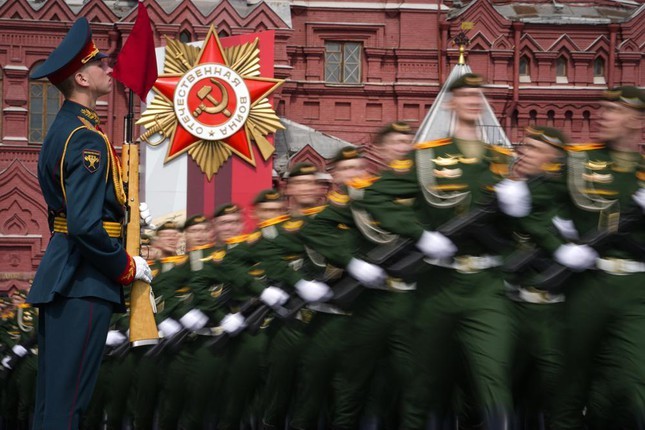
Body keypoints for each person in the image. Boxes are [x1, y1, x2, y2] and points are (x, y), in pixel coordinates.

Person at [27, 17, 152, 429]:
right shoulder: (85, 138)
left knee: (53, 404)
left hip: (67, 274)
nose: (108, 69)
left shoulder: (63, 130)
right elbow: (83, 224)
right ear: (81, 77)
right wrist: (125, 265)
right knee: (68, 407)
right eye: (99, 64)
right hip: (83, 280)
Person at [552, 86, 645, 429]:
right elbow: (528, 203)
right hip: (588, 284)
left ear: (636, 120)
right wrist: (560, 245)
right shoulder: (577, 162)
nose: (602, 116)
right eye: (602, 108)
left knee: (633, 381)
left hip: (637, 290)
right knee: (572, 383)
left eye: (614, 111)